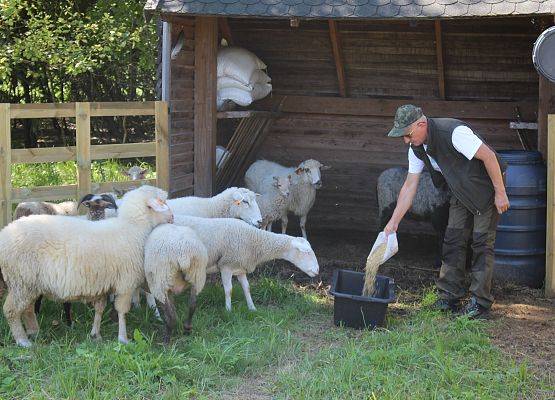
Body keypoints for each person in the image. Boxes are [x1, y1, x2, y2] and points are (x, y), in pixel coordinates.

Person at [384, 104, 509, 318]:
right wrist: (393, 222)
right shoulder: (417, 148)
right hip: (460, 192)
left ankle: (480, 303)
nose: (406, 140)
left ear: (421, 124)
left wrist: (500, 192)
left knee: (481, 243)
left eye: (407, 134)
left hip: (485, 189)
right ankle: (448, 297)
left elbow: (488, 156)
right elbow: (409, 186)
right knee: (453, 240)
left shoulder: (453, 132)